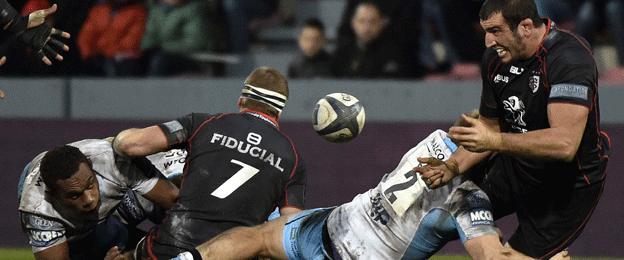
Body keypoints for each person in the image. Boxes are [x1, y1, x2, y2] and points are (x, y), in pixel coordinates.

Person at [418, 0, 610, 258]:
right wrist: (451, 166)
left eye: (496, 31)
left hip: (567, 186)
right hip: (518, 169)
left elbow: (565, 144)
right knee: (456, 208)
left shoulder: (570, 59)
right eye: (486, 31)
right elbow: (489, 126)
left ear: (526, 26)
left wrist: (494, 140)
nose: (487, 42)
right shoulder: (495, 59)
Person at [166, 130, 528, 260]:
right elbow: (491, 256)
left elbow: (479, 129)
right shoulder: (469, 201)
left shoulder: (435, 141)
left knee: (258, 238)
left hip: (334, 226)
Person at [112, 66, 307, 259]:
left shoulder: (203, 123)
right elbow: (292, 233)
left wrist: (115, 140)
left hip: (169, 247)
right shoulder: (293, 158)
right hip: (232, 255)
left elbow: (129, 144)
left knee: (121, 245)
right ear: (278, 112)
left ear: (241, 100)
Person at [18, 139, 179, 259]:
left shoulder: (113, 162)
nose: (89, 200)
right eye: (75, 195)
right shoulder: (38, 211)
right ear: (52, 195)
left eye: (90, 185)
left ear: (91, 166)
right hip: (77, 230)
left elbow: (178, 204)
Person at [331, 1, 407, 78]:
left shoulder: (394, 55)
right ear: (353, 23)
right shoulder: (341, 54)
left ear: (382, 23)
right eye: (361, 21)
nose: (367, 28)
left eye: (372, 22)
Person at [77, 0, 147, 76]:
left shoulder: (139, 12)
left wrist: (108, 55)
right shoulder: (98, 11)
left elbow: (132, 41)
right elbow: (85, 37)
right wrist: (88, 55)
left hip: (125, 57)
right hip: (98, 57)